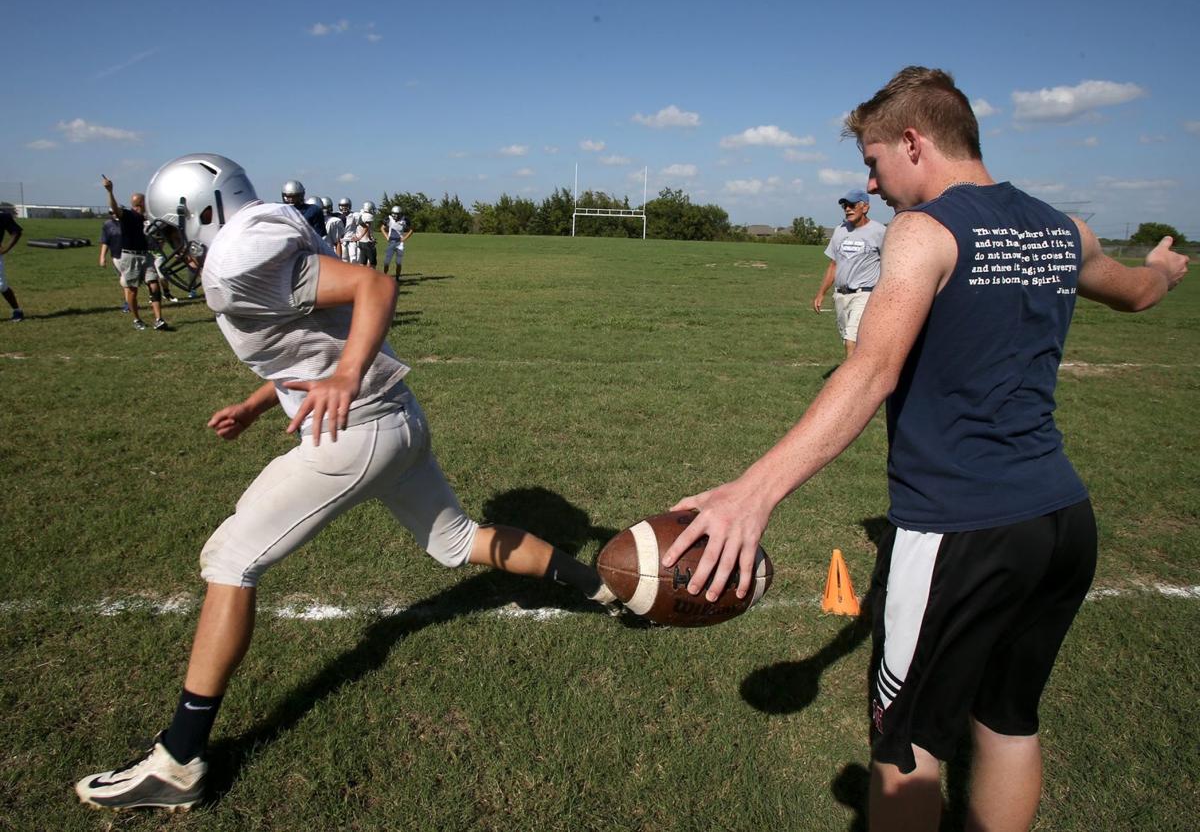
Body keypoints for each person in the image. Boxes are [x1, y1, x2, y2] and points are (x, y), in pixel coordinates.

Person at [661, 67, 1188, 832]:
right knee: (1008, 721)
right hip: (1063, 522)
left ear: (914, 141)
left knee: (906, 748)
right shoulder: (1062, 229)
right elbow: (1139, 291)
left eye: (874, 162)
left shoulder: (924, 232)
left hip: (956, 527)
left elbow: (871, 369)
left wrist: (753, 492)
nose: (872, 181)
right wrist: (1167, 271)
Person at [75, 153, 617, 812]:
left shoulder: (238, 255)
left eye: (172, 229)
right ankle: (603, 586)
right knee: (455, 541)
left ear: (205, 211)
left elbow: (373, 289)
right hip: (397, 418)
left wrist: (345, 376)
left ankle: (180, 760)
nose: (173, 247)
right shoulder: (266, 229)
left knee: (230, 556)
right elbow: (308, 339)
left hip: (357, 428)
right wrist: (257, 404)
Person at [812, 189, 886, 358]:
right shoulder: (840, 231)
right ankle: (866, 371)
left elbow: (889, 263)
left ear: (865, 207)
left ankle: (852, 382)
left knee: (850, 340)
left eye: (852, 205)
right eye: (845, 206)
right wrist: (821, 293)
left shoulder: (879, 231)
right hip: (840, 295)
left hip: (864, 294)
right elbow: (833, 264)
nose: (847, 209)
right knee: (849, 339)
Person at [101, 175, 170, 331]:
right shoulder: (128, 215)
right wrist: (110, 192)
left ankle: (159, 319)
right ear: (140, 203)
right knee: (132, 289)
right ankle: (136, 319)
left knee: (154, 284)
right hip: (130, 256)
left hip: (145, 255)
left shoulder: (145, 218)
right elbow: (116, 209)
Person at [98, 210, 130, 312]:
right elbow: (105, 241)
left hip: (130, 254)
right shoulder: (108, 224)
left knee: (128, 279)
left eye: (116, 211)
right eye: (112, 212)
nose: (114, 214)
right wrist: (102, 256)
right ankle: (128, 302)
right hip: (116, 255)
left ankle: (129, 302)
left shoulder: (128, 222)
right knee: (123, 279)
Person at [0, 205, 24, 321]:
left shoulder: (3, 216)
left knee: (1, 286)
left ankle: (17, 311)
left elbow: (16, 232)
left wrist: (6, 249)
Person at [382, 205, 413, 279]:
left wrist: (404, 238)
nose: (395, 215)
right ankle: (384, 276)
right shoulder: (388, 219)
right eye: (394, 214)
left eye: (397, 214)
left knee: (398, 262)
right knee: (386, 262)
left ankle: (397, 278)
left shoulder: (404, 220)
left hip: (400, 243)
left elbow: (411, 230)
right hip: (391, 242)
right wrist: (387, 237)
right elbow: (382, 228)